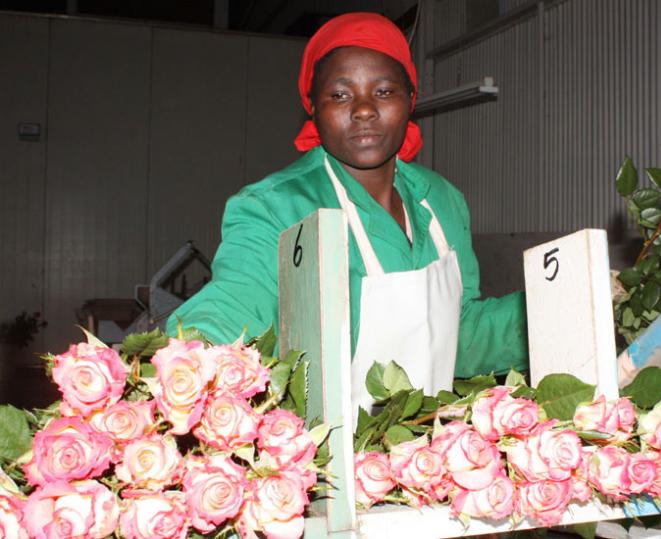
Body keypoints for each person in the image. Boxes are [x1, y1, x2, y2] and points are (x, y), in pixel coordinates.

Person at [168, 12, 527, 411]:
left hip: (429, 448)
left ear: (411, 99)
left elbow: (460, 333)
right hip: (326, 458)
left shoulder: (441, 201)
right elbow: (234, 303)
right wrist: (190, 362)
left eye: (384, 91)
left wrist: (556, 307)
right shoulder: (275, 207)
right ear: (313, 108)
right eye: (340, 95)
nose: (363, 110)